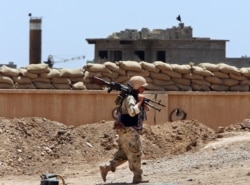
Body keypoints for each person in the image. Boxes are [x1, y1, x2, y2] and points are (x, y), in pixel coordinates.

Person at [100, 76, 150, 184]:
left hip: (124, 130)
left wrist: (142, 104)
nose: (144, 90)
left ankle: (106, 167)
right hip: (129, 130)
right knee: (136, 152)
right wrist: (140, 102)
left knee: (123, 154)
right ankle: (137, 178)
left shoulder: (131, 97)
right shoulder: (130, 98)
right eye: (142, 87)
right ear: (137, 87)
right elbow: (132, 112)